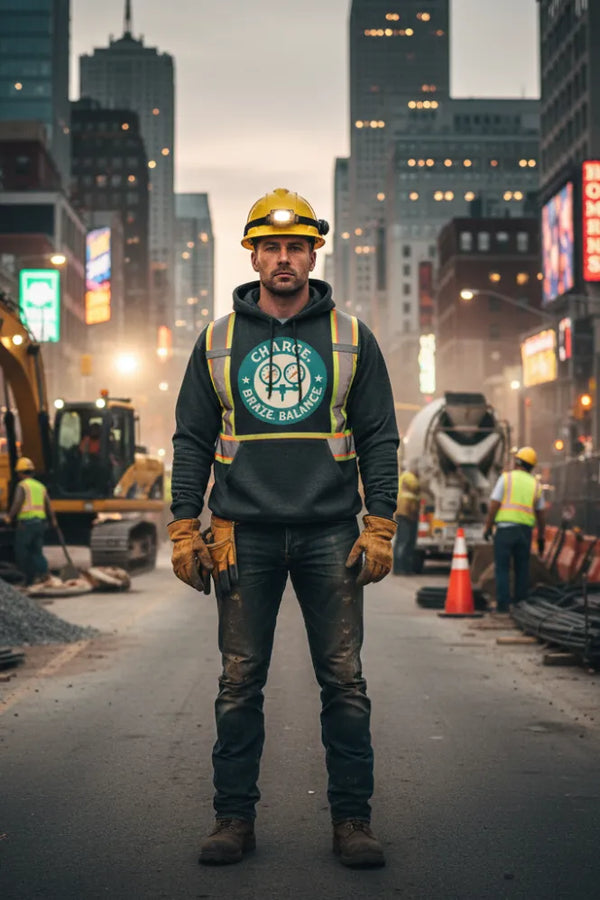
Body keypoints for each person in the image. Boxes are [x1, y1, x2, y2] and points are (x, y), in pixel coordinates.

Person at [168, 188, 399, 869]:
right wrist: (184, 524)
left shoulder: (352, 338)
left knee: (344, 683)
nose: (284, 258)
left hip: (331, 532)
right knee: (239, 683)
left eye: (296, 246)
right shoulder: (216, 342)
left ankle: (352, 821)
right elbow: (191, 439)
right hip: (244, 533)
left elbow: (379, 437)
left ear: (313, 255)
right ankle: (232, 820)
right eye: (271, 247)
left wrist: (380, 522)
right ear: (254, 257)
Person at [483, 445, 545, 614]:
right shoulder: (536, 484)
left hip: (505, 531)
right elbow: (541, 514)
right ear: (531, 466)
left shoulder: (506, 479)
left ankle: (503, 606)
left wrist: (488, 527)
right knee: (522, 569)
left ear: (517, 462)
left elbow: (494, 504)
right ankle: (520, 605)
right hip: (524, 532)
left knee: (502, 568)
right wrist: (541, 538)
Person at [7, 456, 57, 586]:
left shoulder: (22, 486)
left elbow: (17, 502)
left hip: (26, 524)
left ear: (20, 473)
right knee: (37, 551)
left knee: (22, 551)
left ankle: (28, 578)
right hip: (40, 523)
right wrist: (53, 520)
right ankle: (44, 574)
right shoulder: (40, 486)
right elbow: (48, 505)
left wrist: (9, 517)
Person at [393, 462, 420, 575]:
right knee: (404, 541)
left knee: (403, 541)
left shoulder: (404, 476)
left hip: (405, 513)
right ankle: (400, 568)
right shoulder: (409, 476)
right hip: (406, 514)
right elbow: (416, 486)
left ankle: (401, 568)